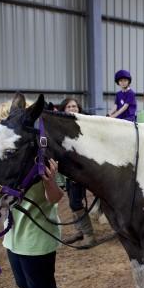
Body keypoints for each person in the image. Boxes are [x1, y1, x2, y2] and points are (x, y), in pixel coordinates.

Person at [0, 101, 65, 288]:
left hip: (37, 235)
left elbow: (55, 198)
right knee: (24, 286)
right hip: (13, 235)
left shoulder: (39, 155)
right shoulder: (5, 163)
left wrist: (49, 181)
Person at [57, 98, 96, 248]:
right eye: (69, 107)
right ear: (64, 109)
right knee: (72, 201)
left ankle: (89, 235)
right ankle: (79, 231)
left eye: (74, 106)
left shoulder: (85, 124)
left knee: (75, 202)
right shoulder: (61, 126)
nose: (72, 109)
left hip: (81, 169)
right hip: (68, 170)